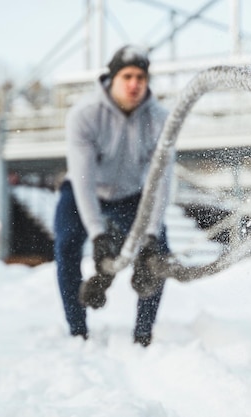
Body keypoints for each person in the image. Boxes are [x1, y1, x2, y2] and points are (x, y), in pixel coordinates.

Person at [53, 45, 174, 347]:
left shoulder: (161, 119)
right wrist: (96, 234)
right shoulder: (84, 115)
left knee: (158, 252)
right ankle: (77, 330)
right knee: (67, 244)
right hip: (86, 191)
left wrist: (149, 234)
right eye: (127, 76)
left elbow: (161, 180)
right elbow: (82, 176)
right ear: (111, 78)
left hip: (131, 194)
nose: (135, 84)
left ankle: (143, 335)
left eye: (141, 78)